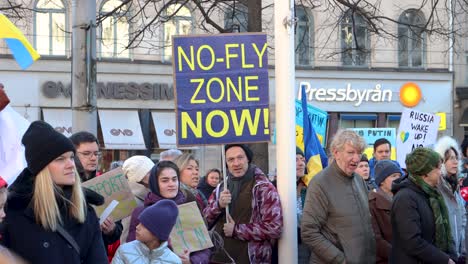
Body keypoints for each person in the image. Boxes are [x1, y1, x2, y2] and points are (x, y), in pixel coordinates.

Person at [2, 121, 108, 264]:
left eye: (71, 157)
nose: (71, 165)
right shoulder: (12, 212)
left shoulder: (84, 211)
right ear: (42, 168)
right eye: (60, 159)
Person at [301, 130, 376, 263]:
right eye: (351, 152)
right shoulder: (320, 183)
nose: (357, 158)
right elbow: (309, 232)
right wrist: (341, 260)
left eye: (359, 153)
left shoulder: (359, 180)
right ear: (336, 153)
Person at [204, 144, 283, 263]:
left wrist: (236, 230)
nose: (236, 163)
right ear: (226, 164)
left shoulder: (263, 188)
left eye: (240, 157)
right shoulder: (221, 187)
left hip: (250, 258)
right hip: (217, 258)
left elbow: (274, 228)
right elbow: (204, 221)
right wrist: (218, 205)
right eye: (230, 159)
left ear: (248, 159)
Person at [127, 160, 211, 263]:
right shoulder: (140, 213)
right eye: (165, 180)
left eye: (174, 179)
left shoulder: (188, 208)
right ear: (155, 183)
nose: (171, 184)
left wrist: (191, 261)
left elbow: (204, 249)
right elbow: (131, 250)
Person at [391, 147, 456, 263]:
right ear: (425, 173)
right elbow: (412, 242)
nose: (440, 173)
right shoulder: (405, 198)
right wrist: (444, 260)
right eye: (438, 168)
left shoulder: (431, 194)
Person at [69, 131, 123, 257]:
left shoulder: (107, 184)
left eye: (96, 153)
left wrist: (111, 230)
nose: (93, 158)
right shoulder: (64, 184)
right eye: (86, 154)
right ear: (72, 155)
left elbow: (117, 232)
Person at [112, 200, 182, 264]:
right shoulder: (124, 251)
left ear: (157, 232)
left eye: (143, 225)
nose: (137, 227)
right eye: (139, 223)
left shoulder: (174, 261)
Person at [434, 136, 467, 263]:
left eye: (456, 158)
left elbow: (462, 220)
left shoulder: (455, 186)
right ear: (441, 161)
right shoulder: (437, 187)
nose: (455, 162)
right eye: (451, 159)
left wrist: (463, 251)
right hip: (444, 255)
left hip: (458, 254)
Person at [369, 160, 402, 264]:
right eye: (393, 176)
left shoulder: (402, 199)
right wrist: (400, 256)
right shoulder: (372, 203)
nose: (398, 179)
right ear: (382, 181)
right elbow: (376, 240)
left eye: (399, 175)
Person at [120, 155, 153, 243]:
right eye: (148, 172)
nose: (154, 174)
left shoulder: (152, 194)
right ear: (138, 177)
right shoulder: (131, 201)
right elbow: (125, 235)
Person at [295, 147, 310, 263]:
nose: (301, 164)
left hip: (305, 244)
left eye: (302, 160)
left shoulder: (308, 186)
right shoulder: (273, 187)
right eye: (295, 160)